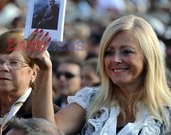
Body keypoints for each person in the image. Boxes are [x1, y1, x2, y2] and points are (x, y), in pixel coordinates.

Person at [30, 15, 171, 134]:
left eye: (127, 51)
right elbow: (46, 130)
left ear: (148, 57)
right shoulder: (90, 99)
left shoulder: (167, 112)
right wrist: (44, 69)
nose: (115, 59)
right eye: (109, 52)